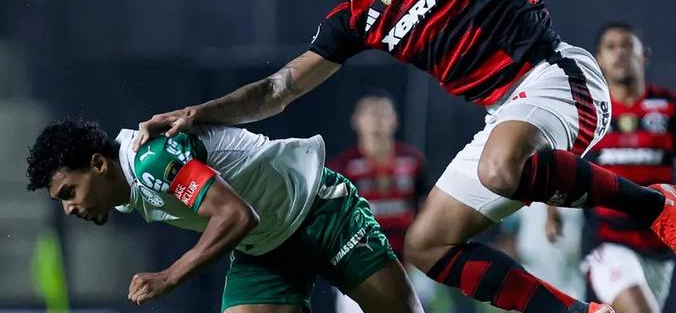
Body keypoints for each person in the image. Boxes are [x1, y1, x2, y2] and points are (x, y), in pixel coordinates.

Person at [134, 0, 676, 312]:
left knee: (499, 166)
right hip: (506, 114)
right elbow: (278, 89)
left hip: (555, 76)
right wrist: (198, 113)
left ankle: (656, 205)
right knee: (427, 245)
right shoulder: (356, 16)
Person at [26, 119, 423, 313]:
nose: (69, 209)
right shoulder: (127, 189)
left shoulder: (150, 160)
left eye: (69, 193)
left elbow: (235, 215)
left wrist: (169, 276)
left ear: (98, 164)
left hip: (321, 211)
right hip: (265, 250)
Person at [569, 23, 676, 313]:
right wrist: (552, 211)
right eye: (611, 47)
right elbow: (565, 163)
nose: (620, 53)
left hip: (659, 245)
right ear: (598, 59)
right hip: (607, 242)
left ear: (644, 55)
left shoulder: (671, 106)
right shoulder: (589, 110)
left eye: (627, 45)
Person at [327, 92, 427, 312]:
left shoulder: (413, 161)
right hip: (359, 266)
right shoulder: (342, 167)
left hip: (409, 264)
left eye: (382, 113)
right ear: (356, 120)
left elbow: (424, 211)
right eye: (370, 113)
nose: (376, 120)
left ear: (395, 120)